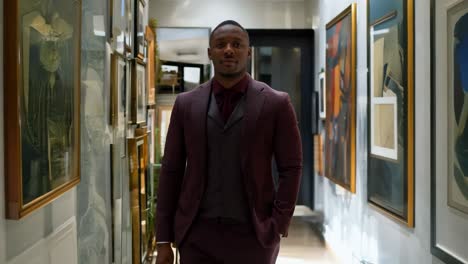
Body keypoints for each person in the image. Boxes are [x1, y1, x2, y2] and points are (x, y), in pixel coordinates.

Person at [155, 20, 303, 264]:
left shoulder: (277, 103)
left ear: (249, 51)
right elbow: (171, 170)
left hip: (254, 238)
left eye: (237, 44)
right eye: (220, 44)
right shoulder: (185, 104)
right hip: (196, 237)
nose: (228, 50)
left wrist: (278, 223)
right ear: (209, 53)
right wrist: (163, 240)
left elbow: (291, 167)